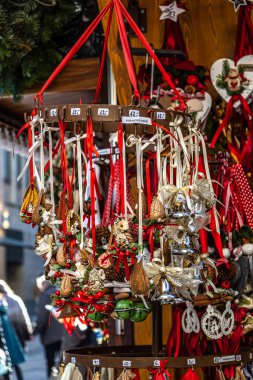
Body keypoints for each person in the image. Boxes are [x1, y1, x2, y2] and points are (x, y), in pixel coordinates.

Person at [0, 280, 32, 380]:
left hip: (8, 336)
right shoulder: (15, 299)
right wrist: (28, 334)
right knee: (14, 363)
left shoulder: (8, 301)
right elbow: (24, 319)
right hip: (15, 335)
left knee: (8, 363)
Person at [34, 276, 64, 379]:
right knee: (63, 361)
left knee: (50, 363)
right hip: (64, 334)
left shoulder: (44, 296)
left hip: (49, 336)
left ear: (43, 285)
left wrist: (36, 331)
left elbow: (41, 318)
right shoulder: (61, 292)